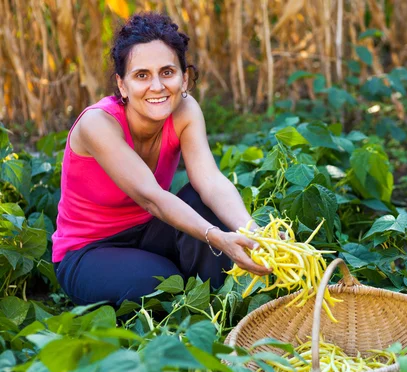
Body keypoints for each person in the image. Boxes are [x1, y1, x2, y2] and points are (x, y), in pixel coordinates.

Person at [51, 12, 271, 306]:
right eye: (142, 75)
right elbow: (151, 197)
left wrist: (253, 233)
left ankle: (220, 305)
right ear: (122, 85)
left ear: (185, 78)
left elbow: (210, 181)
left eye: (167, 72)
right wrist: (218, 238)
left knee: (201, 200)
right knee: (163, 285)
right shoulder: (98, 124)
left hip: (152, 231)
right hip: (88, 251)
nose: (157, 86)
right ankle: (194, 293)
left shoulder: (185, 110)